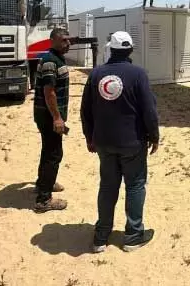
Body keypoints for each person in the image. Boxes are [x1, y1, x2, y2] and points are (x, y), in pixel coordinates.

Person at [81, 31, 159, 253]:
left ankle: (100, 237)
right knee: (134, 185)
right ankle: (133, 236)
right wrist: (154, 136)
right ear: (131, 50)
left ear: (111, 49)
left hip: (103, 142)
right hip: (132, 143)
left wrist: (90, 137)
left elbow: (85, 109)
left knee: (107, 186)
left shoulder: (96, 75)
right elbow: (149, 110)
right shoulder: (138, 74)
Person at [32, 28, 72, 213]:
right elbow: (49, 93)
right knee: (54, 154)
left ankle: (43, 183)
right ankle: (43, 200)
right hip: (49, 116)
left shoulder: (56, 58)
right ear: (53, 41)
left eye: (68, 40)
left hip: (48, 115)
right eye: (64, 40)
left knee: (48, 150)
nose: (68, 44)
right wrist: (57, 118)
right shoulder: (50, 61)